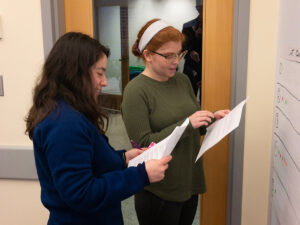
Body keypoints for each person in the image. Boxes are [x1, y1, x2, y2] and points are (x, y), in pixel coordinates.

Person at [25, 32, 172, 225]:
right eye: (100, 73)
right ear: (74, 72)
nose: (104, 82)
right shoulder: (65, 124)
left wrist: (122, 159)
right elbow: (81, 194)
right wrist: (141, 174)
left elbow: (88, 160)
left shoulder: (68, 112)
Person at [121, 19, 230, 225]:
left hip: (188, 179)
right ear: (148, 55)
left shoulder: (182, 80)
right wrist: (187, 123)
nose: (176, 61)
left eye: (179, 54)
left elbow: (193, 126)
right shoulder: (135, 91)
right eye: (168, 55)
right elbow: (145, 144)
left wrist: (211, 119)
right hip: (159, 188)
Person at [182, 2, 203, 103]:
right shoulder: (187, 26)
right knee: (188, 100)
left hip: (208, 69)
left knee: (206, 100)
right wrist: (190, 53)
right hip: (190, 68)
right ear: (197, 8)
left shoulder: (214, 27)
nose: (201, 8)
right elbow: (182, 49)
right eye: (199, 6)